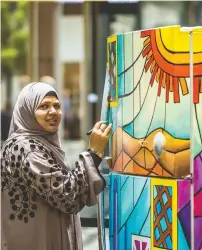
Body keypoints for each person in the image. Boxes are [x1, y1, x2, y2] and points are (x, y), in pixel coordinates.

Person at [1, 82, 112, 250]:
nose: (53, 112)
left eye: (57, 106)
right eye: (44, 106)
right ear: (28, 111)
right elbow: (67, 195)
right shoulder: (26, 149)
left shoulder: (38, 144)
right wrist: (94, 152)